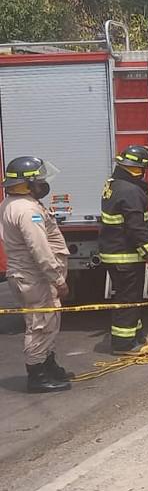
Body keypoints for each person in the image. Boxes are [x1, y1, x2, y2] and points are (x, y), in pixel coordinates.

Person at [0, 157, 73, 393]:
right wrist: (57, 278)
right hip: (35, 278)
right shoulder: (26, 209)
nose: (43, 184)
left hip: (31, 277)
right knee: (40, 325)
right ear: (28, 184)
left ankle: (48, 365)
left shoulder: (13, 203)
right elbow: (39, 248)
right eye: (38, 180)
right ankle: (38, 374)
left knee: (48, 322)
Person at [99, 145, 148, 354]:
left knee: (128, 296)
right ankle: (124, 344)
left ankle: (136, 334)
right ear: (138, 169)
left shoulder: (114, 184)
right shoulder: (131, 192)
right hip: (125, 256)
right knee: (128, 298)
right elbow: (136, 227)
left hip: (114, 252)